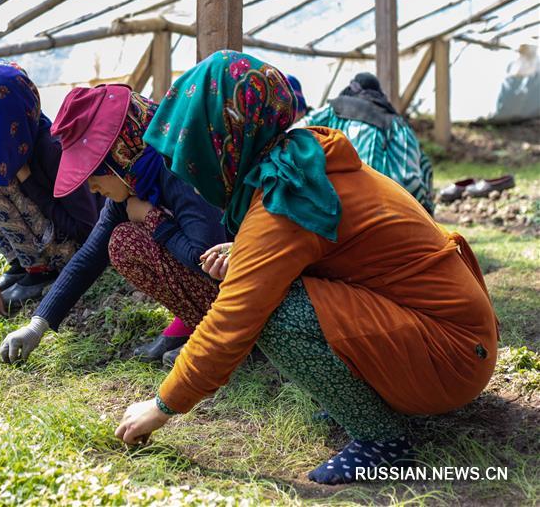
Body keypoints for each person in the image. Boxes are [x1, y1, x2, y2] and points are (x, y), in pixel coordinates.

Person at [114, 51, 498, 485]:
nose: (185, 163)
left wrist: (162, 405)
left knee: (275, 314)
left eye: (194, 144)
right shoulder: (299, 162)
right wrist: (247, 250)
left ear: (222, 136)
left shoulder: (285, 197)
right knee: (280, 296)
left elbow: (233, 319)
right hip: (459, 339)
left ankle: (383, 439)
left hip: (452, 356)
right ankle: (362, 403)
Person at [0, 84, 227, 366]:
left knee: (125, 242)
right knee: (116, 240)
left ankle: (225, 334)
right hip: (217, 284)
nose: (92, 187)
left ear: (119, 156)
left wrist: (152, 219)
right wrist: (38, 324)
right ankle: (198, 320)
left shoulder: (176, 169)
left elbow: (207, 257)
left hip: (239, 286)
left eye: (94, 173)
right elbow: (90, 257)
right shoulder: (133, 179)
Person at [0, 59, 101, 316]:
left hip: (74, 248)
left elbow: (86, 229)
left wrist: (30, 182)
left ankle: (40, 272)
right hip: (40, 235)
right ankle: (21, 265)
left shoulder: (52, 149)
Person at [298, 72, 435, 214]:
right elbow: (410, 180)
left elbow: (296, 131)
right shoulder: (395, 123)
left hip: (330, 204)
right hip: (381, 210)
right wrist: (425, 210)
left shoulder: (333, 109)